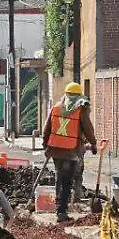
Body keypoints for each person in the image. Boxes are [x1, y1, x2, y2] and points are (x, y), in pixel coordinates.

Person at [42, 82, 97, 221]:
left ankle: (58, 208)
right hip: (71, 152)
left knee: (59, 178)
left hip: (55, 150)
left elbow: (46, 129)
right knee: (66, 182)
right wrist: (94, 143)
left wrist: (45, 146)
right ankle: (61, 211)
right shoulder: (80, 109)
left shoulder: (56, 108)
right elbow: (88, 129)